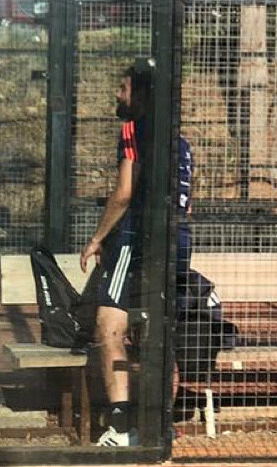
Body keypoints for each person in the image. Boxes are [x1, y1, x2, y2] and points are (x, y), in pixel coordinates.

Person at [79, 59, 192, 447]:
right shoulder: (181, 143)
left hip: (136, 239)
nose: (117, 93)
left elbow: (124, 193)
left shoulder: (133, 129)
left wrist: (98, 237)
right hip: (177, 243)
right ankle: (160, 426)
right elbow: (187, 205)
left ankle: (120, 425)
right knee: (159, 331)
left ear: (142, 94)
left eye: (123, 87)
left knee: (108, 324)